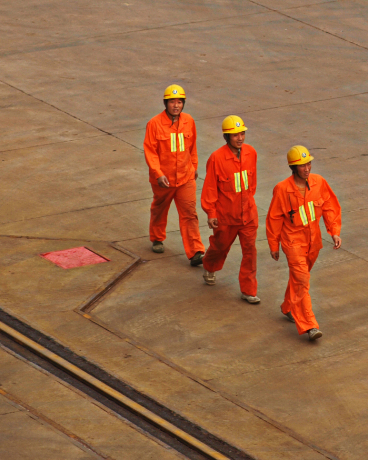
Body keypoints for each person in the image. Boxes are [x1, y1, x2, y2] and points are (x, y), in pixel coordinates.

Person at [266, 145, 342, 341]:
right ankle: (310, 325)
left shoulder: (319, 183)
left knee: (300, 279)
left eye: (308, 163)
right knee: (302, 280)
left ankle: (288, 307)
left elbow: (329, 206)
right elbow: (274, 218)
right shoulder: (282, 189)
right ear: (293, 167)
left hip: (313, 242)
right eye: (302, 165)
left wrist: (334, 231)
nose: (307, 168)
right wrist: (274, 245)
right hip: (293, 243)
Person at [200, 115, 260, 304]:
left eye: (242, 133)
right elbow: (210, 188)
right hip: (226, 217)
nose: (240, 138)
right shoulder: (217, 159)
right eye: (235, 135)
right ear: (227, 137)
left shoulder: (251, 153)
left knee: (250, 252)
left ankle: (248, 291)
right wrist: (211, 213)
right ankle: (209, 265)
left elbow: (252, 184)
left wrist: (247, 203)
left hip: (248, 216)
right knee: (220, 247)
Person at [143, 84, 205, 265]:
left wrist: (193, 167)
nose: (176, 105)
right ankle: (157, 236)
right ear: (165, 103)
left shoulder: (189, 121)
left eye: (179, 102)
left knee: (189, 213)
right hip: (163, 180)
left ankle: (196, 252)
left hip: (185, 178)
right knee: (160, 208)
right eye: (172, 102)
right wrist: (158, 174)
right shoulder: (154, 124)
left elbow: (192, 147)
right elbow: (150, 152)